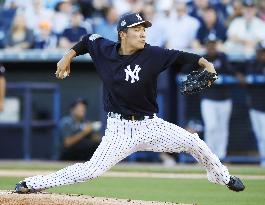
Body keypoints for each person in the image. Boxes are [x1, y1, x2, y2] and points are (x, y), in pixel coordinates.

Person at [15, 12, 245, 194]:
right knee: (91, 170)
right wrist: (68, 56)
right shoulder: (104, 49)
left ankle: (222, 177)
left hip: (151, 126)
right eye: (137, 29)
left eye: (144, 29)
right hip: (119, 131)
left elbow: (184, 56)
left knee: (193, 141)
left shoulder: (153, 54)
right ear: (123, 34)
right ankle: (33, 183)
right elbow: (87, 40)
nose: (143, 33)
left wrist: (208, 64)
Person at [200, 36, 233, 161]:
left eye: (213, 44)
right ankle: (210, 156)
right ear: (206, 45)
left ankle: (221, 156)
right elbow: (186, 71)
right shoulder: (202, 59)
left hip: (224, 99)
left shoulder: (223, 57)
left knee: (222, 128)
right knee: (211, 126)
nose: (211, 47)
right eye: (209, 44)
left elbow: (230, 72)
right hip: (208, 99)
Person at [245, 42, 265, 166]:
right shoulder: (252, 64)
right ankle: (263, 160)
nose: (262, 55)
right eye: (260, 52)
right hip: (255, 106)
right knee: (259, 135)